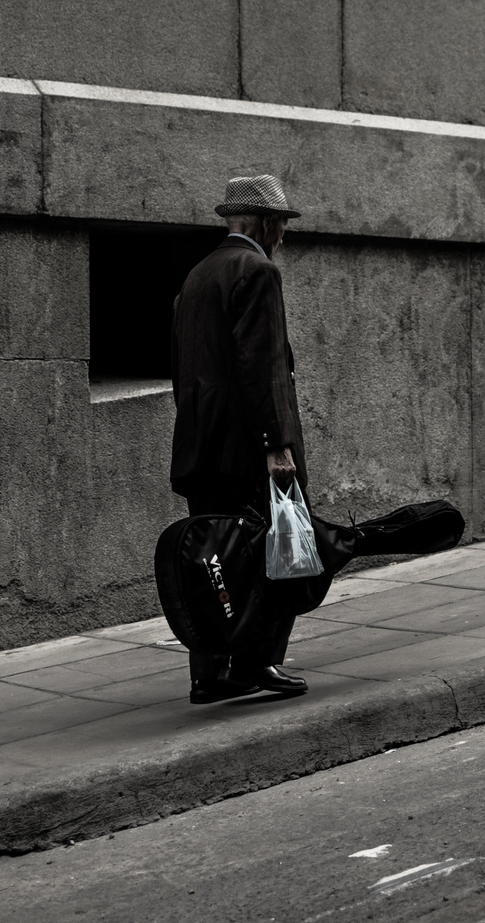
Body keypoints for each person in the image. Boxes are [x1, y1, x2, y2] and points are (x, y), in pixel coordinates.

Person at [170, 174, 310, 704]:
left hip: (202, 448)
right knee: (275, 553)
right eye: (282, 224)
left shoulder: (198, 275)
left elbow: (184, 370)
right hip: (250, 450)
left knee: (213, 558)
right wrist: (277, 446)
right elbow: (264, 366)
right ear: (266, 224)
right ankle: (255, 662)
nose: (284, 236)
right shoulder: (258, 271)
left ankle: (207, 674)